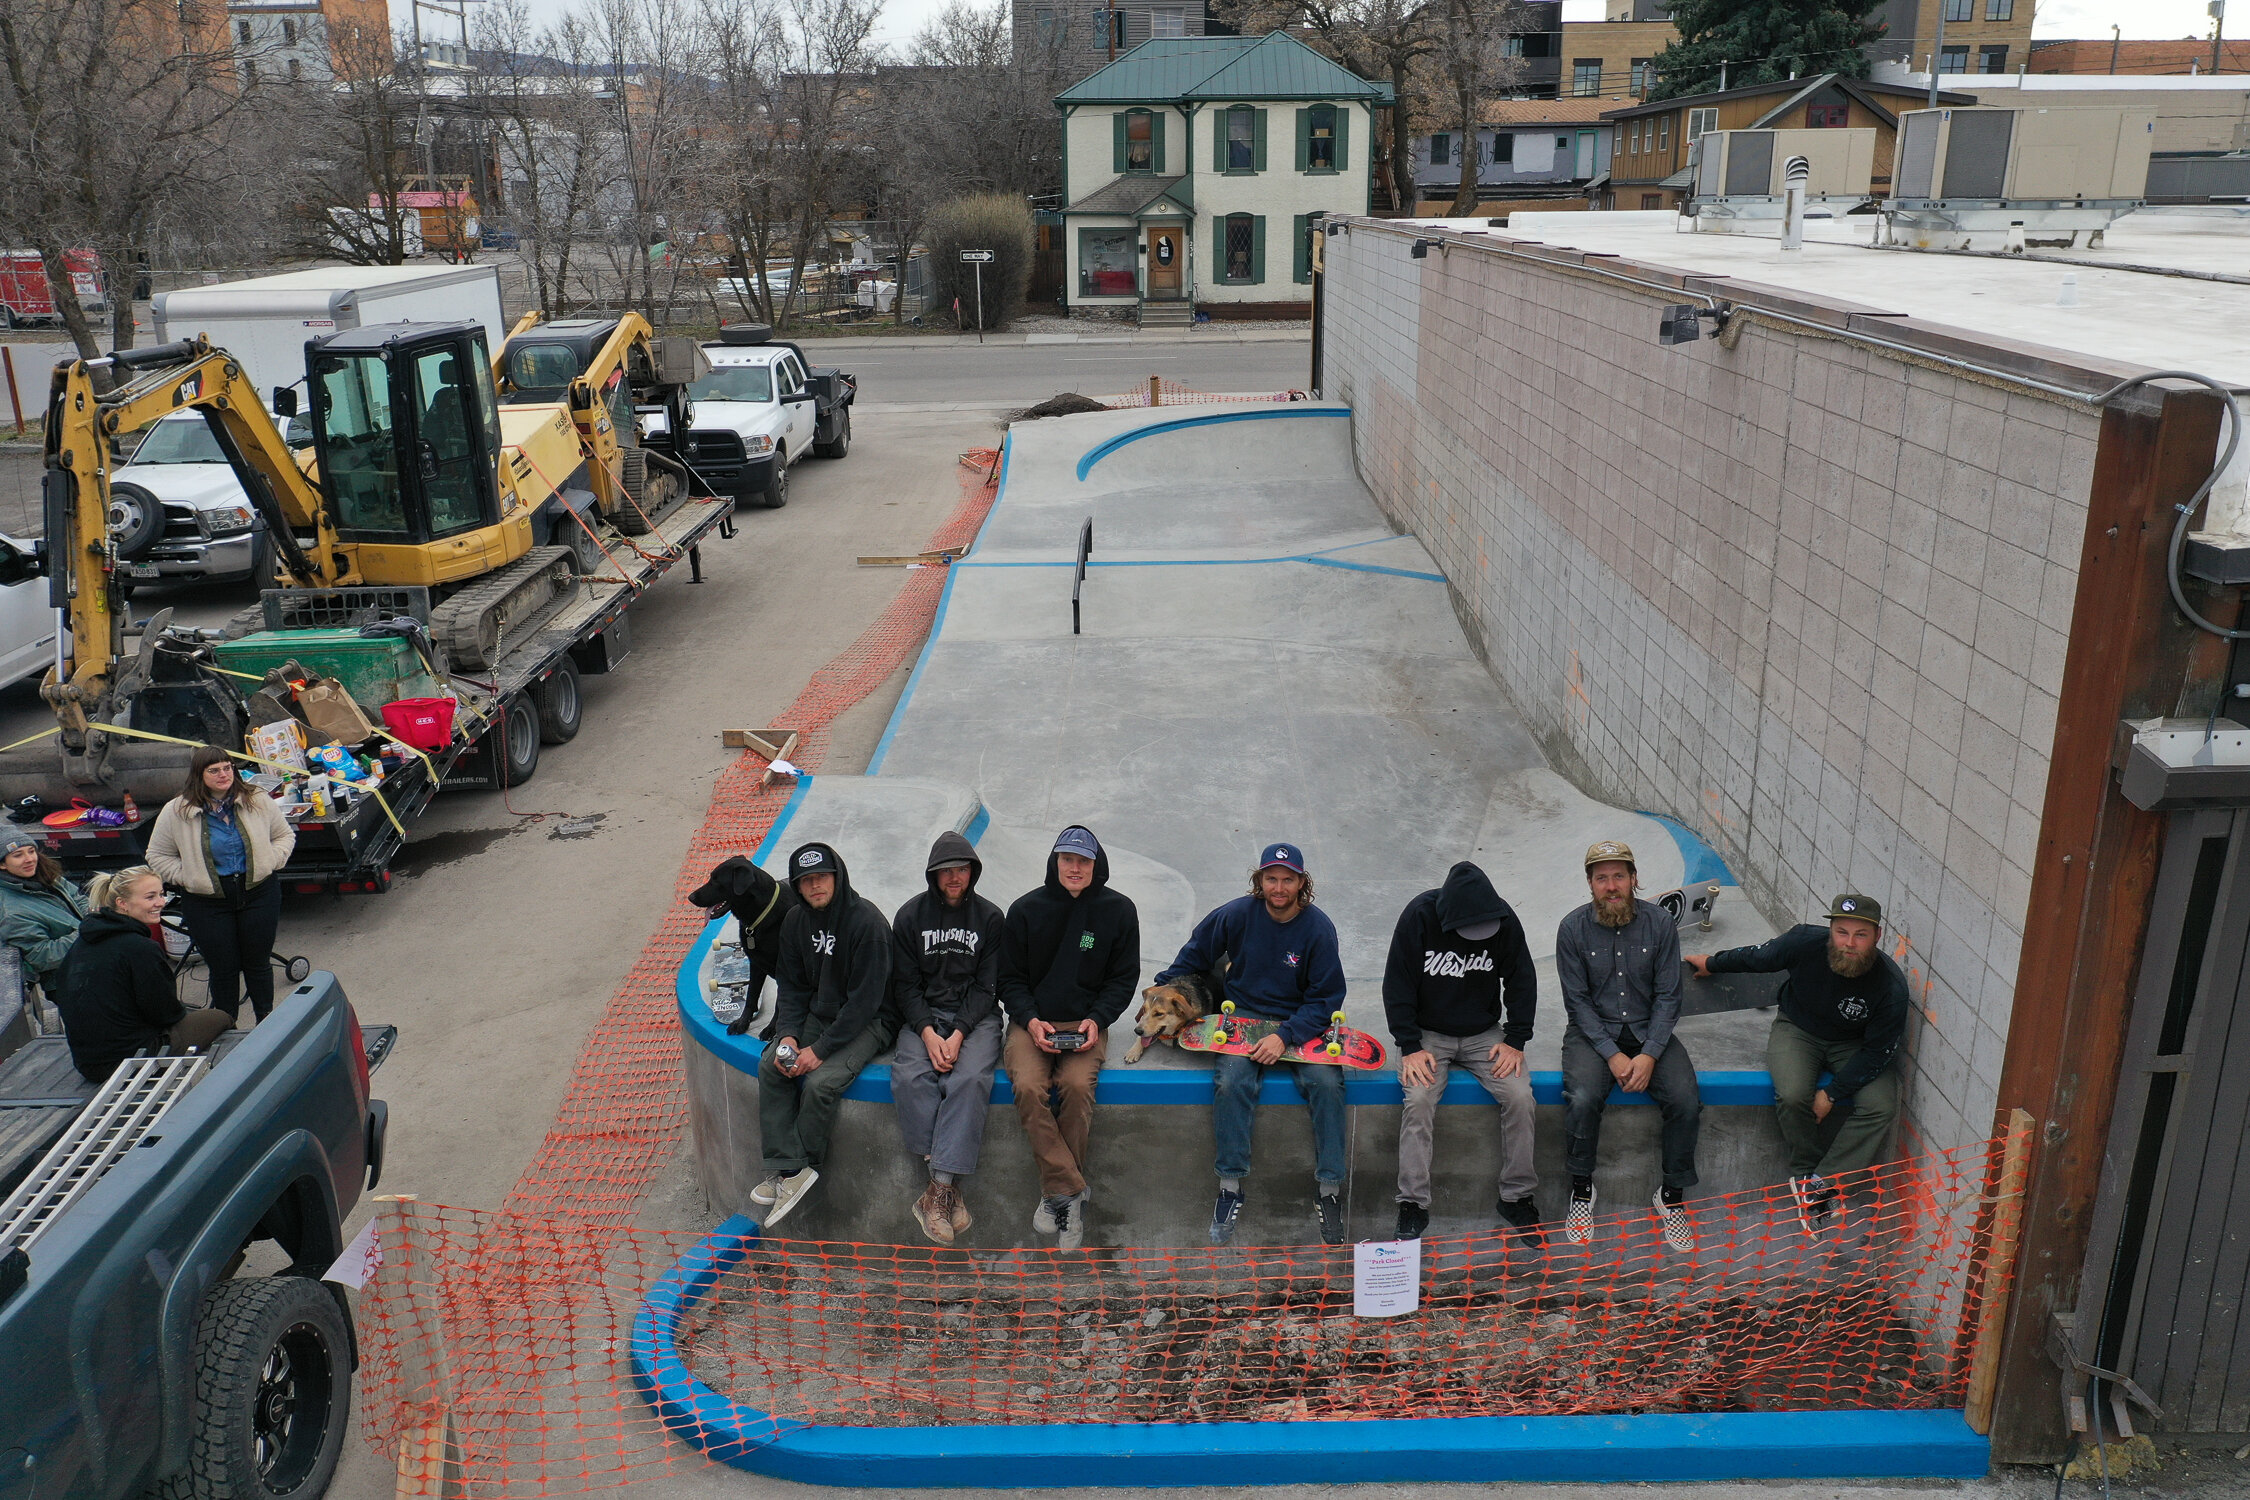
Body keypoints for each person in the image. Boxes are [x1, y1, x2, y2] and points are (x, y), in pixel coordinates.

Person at [1157, 842, 1350, 1248]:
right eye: (1271, 878)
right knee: (1231, 1083)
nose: (1279, 887)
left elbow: (1327, 997)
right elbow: (1195, 952)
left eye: (1287, 879)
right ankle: (1230, 1187)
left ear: (1301, 883)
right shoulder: (1236, 914)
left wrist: (1285, 1035)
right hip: (1243, 1016)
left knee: (1327, 1084)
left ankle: (1329, 1191)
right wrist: (1165, 987)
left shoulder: (1318, 928)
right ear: (1259, 880)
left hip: (1301, 1023)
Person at [1686, 894, 1907, 1231]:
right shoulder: (1804, 942)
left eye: (1860, 935)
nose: (1849, 943)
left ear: (1877, 936)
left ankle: (1824, 1182)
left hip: (1854, 1045)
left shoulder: (1890, 987)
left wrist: (1832, 1093)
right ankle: (1805, 1172)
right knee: (1791, 1094)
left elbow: (1879, 1052)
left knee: (1882, 1104)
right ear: (1830, 930)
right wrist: (1713, 963)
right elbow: (1758, 958)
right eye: (1841, 932)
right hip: (1798, 1029)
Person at [1382, 860, 1540, 1242]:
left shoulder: (1503, 919)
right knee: (1418, 1100)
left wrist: (1516, 1040)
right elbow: (1397, 982)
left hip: (1483, 1033)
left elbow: (1522, 978)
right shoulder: (1420, 915)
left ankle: (1517, 1197)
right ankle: (1412, 1204)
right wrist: (1409, 1045)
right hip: (1427, 1034)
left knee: (1520, 1096)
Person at [999, 825, 1139, 1252]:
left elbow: (1122, 977)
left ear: (1096, 865)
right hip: (1033, 1021)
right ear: (1054, 862)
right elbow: (1009, 978)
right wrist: (1031, 1019)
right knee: (1027, 1085)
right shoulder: (1025, 910)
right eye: (1067, 859)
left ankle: (1056, 1197)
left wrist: (1098, 1019)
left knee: (1077, 1087)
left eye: (1083, 860)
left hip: (1085, 1024)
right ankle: (1070, 1191)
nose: (1074, 868)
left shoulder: (1118, 910)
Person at [1555, 840, 1700, 1252]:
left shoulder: (1659, 924)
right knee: (1582, 1098)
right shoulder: (1571, 928)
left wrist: (1650, 1052)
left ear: (1634, 879)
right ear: (1590, 885)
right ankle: (1582, 1190)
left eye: (1619, 875)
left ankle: (1670, 1196)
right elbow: (1576, 1002)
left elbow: (1669, 996)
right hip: (1592, 1032)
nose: (1612, 885)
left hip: (1648, 1029)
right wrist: (1614, 1055)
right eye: (1602, 878)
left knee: (1686, 1100)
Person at [756, 842, 894, 1228]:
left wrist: (819, 1050)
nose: (815, 885)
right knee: (773, 1064)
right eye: (806, 881)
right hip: (821, 1010)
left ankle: (797, 1169)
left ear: (837, 876)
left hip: (871, 1019)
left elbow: (866, 1002)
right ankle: (788, 1169)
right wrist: (787, 1035)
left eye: (822, 877)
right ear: (797, 887)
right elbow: (793, 986)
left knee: (819, 1083)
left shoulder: (868, 924)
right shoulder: (795, 922)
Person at [891, 830, 1006, 1244]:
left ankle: (936, 1192)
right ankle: (946, 1190)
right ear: (933, 875)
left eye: (962, 869)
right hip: (924, 1016)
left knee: (969, 1079)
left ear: (972, 871)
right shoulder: (908, 917)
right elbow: (904, 986)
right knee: (909, 1078)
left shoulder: (991, 919)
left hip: (975, 1018)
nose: (955, 877)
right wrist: (926, 1031)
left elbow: (988, 986)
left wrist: (957, 1034)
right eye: (946, 871)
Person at [146, 746, 295, 1023]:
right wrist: (188, 876)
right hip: (208, 903)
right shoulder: (177, 810)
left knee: (258, 964)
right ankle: (225, 1027)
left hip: (259, 894)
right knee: (223, 970)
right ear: (199, 775)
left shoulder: (256, 799)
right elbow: (156, 855)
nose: (223, 774)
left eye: (227, 767)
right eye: (214, 770)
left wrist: (269, 862)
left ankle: (267, 1021)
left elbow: (284, 836)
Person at [53, 866, 232, 1083]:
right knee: (220, 1017)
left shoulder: (83, 941)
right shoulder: (140, 948)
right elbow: (167, 1014)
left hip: (88, 1063)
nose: (161, 902)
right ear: (122, 903)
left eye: (161, 894)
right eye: (150, 897)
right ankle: (233, 1078)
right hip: (131, 1061)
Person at [688, 854, 802, 1036]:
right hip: (756, 918)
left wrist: (776, 1022)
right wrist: (746, 1014)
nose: (702, 892)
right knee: (757, 960)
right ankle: (749, 1010)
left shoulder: (787, 916)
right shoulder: (752, 916)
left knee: (785, 970)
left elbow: (786, 977)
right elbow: (757, 965)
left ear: (743, 886)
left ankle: (777, 1019)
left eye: (718, 885)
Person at [0, 827, 89, 1007]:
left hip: (89, 964)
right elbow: (41, 956)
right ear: (2, 864)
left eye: (32, 851)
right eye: (18, 855)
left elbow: (78, 898)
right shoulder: (12, 911)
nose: (29, 859)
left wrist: (93, 916)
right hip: (69, 982)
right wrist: (88, 931)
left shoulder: (44, 876)